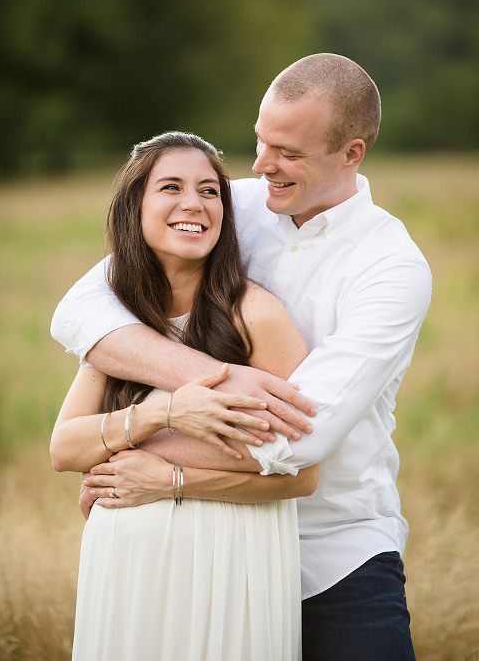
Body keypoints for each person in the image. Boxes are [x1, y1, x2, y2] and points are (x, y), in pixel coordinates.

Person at [51, 54, 432, 660]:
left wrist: (147, 465)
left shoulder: (391, 270)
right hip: (201, 547)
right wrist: (201, 392)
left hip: (334, 553)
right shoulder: (233, 208)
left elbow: (296, 440)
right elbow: (82, 311)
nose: (260, 167)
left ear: (351, 153)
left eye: (288, 152)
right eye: (260, 143)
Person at [50, 131, 320, 661]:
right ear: (135, 209)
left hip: (227, 564)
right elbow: (64, 448)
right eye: (170, 187)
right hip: (126, 571)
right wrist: (164, 412)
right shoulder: (120, 323)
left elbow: (303, 473)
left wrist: (170, 481)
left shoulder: (257, 316)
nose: (193, 204)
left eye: (210, 190)